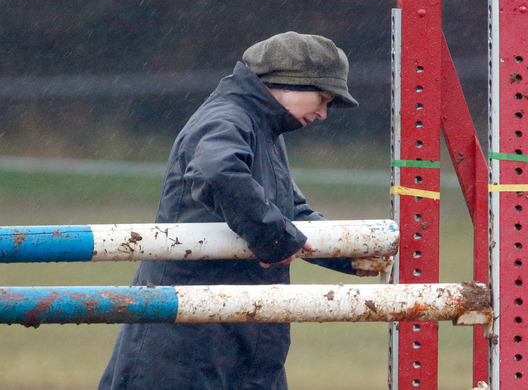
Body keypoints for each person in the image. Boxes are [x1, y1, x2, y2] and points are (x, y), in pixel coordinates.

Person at [99, 31, 373, 389]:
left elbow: (292, 216)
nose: (323, 113)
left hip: (239, 334)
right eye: (322, 98)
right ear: (286, 82)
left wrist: (357, 254)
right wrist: (272, 237)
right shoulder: (227, 118)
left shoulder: (261, 129)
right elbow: (217, 173)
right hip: (186, 339)